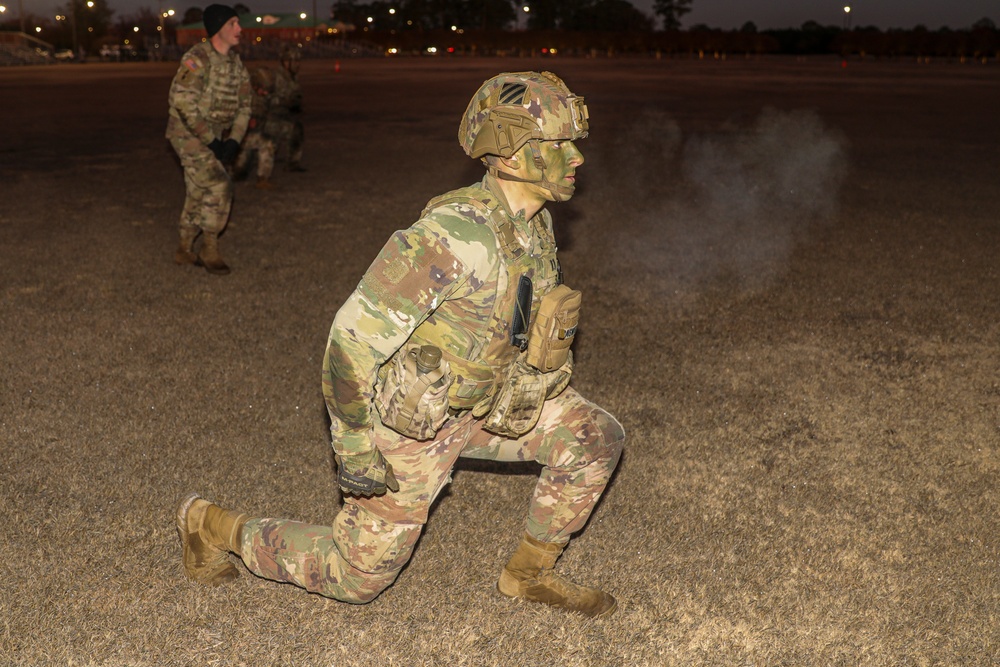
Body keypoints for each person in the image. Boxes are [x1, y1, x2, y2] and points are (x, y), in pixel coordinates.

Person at [176, 72, 625, 617]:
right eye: (559, 144)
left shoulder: (534, 226)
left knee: (594, 437)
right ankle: (211, 524)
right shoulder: (453, 238)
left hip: (487, 404)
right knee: (355, 579)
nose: (576, 157)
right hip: (417, 424)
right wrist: (356, 448)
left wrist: (534, 375)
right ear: (510, 153)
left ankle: (527, 575)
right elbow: (349, 344)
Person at [166, 4, 251, 275]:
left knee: (197, 190)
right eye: (232, 24)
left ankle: (183, 248)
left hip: (214, 135)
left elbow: (245, 106)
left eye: (238, 23)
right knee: (219, 184)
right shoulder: (197, 58)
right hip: (186, 134)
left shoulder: (235, 64)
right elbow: (181, 101)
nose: (239, 29)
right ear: (218, 29)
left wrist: (234, 141)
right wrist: (212, 141)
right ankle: (209, 248)